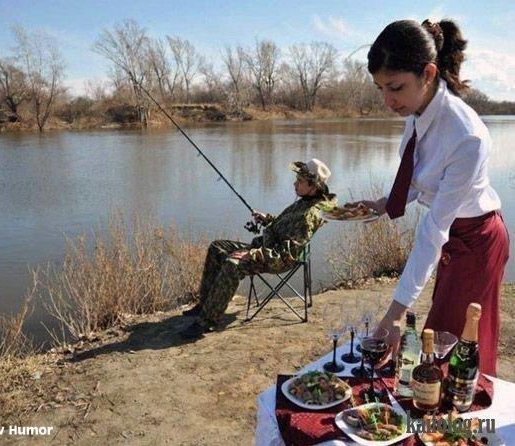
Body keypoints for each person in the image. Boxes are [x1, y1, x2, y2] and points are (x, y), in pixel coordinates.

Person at [350, 19, 509, 375]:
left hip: (478, 241)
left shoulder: (466, 137)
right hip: (455, 237)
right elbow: (420, 179)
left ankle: (464, 427)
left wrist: (395, 313)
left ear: (428, 73)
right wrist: (385, 204)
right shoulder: (417, 110)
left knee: (455, 347)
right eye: (380, 89)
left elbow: (433, 229)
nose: (388, 101)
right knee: (437, 341)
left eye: (394, 87)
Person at [179, 158, 335, 339]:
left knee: (233, 264)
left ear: (313, 188)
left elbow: (285, 256)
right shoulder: (305, 200)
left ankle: (206, 322)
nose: (295, 183)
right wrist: (267, 219)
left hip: (275, 260)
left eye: (300, 181)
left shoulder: (308, 215)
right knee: (217, 247)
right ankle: (205, 304)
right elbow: (285, 226)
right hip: (265, 248)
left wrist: (251, 254)